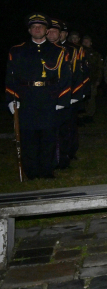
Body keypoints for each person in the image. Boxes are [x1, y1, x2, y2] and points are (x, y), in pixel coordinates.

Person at [6, 15, 71, 180]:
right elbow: (10, 77)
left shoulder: (59, 51)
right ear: (29, 30)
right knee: (28, 136)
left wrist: (61, 100)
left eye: (40, 27)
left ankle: (47, 170)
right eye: (34, 27)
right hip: (26, 98)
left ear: (47, 30)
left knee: (49, 136)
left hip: (49, 97)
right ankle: (31, 171)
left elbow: (65, 77)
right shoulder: (17, 50)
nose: (37, 29)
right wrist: (11, 99)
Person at [48, 19, 85, 169]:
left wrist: (75, 95)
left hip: (67, 94)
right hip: (48, 95)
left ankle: (66, 154)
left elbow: (77, 74)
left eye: (61, 32)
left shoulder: (71, 50)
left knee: (67, 126)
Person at [81, 35, 103, 122]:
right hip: (81, 80)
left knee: (91, 97)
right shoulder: (79, 52)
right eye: (84, 41)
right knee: (81, 98)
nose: (86, 43)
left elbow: (100, 68)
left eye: (87, 41)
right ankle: (81, 115)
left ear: (91, 43)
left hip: (92, 79)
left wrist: (98, 80)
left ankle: (90, 115)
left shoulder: (96, 54)